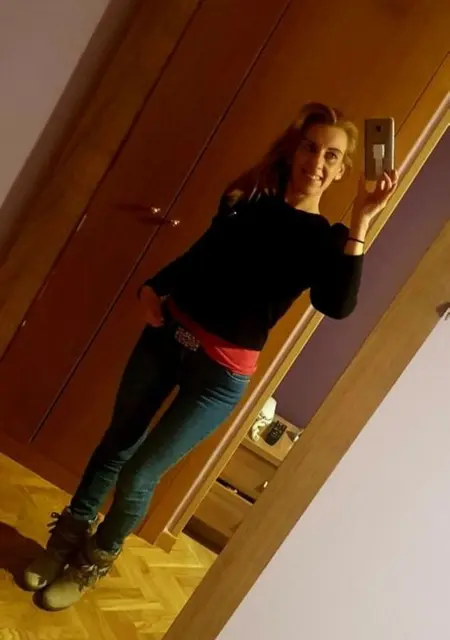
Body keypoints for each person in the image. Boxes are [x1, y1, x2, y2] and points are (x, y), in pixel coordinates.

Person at [24, 102, 398, 610]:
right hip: (165, 339)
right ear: (295, 151)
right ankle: (63, 543)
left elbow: (336, 304)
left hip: (218, 376)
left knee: (139, 475)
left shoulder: (325, 239)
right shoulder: (248, 202)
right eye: (311, 148)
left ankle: (93, 561)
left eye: (332, 155)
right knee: (117, 443)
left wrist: (362, 218)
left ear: (342, 169)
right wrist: (152, 286)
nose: (318, 161)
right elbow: (199, 257)